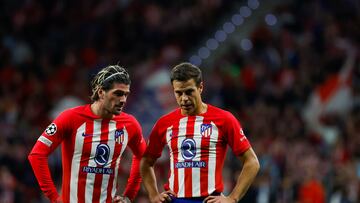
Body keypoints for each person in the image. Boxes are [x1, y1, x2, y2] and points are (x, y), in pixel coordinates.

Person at [140, 62, 260, 203]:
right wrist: (154, 195)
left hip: (208, 199)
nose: (184, 98)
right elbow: (146, 162)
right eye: (178, 93)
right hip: (175, 200)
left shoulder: (224, 119)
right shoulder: (164, 123)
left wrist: (233, 198)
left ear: (200, 87)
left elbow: (252, 162)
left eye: (189, 91)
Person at [28, 65, 147, 203]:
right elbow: (37, 155)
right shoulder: (71, 118)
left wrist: (128, 196)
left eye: (126, 94)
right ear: (101, 92)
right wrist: (54, 197)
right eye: (118, 93)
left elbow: (143, 158)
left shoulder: (130, 124)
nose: (123, 100)